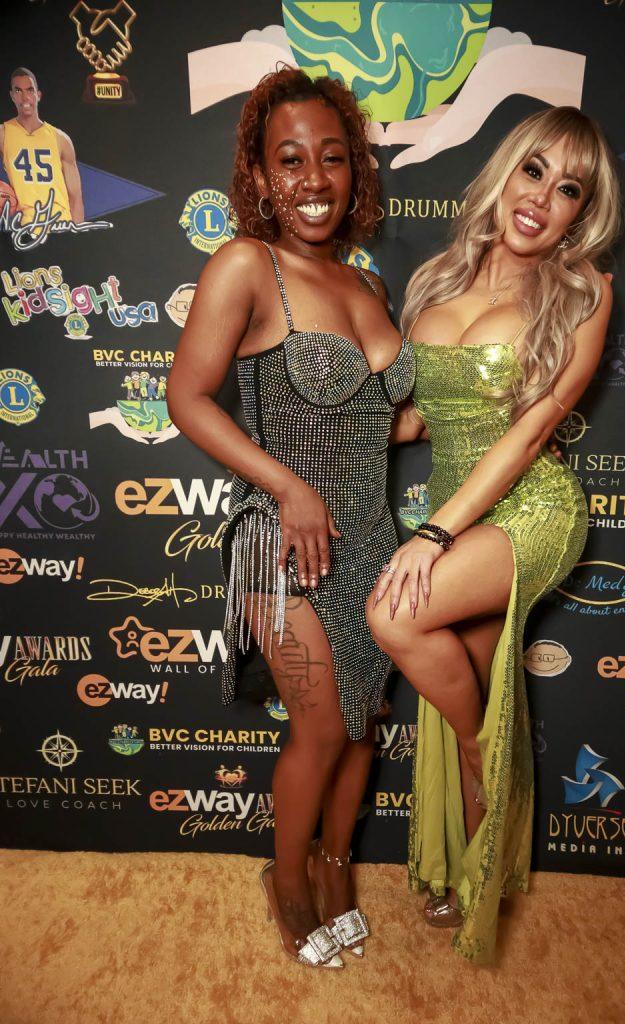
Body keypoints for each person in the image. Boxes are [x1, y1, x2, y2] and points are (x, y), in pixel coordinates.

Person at [166, 68, 414, 969]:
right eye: (291, 159)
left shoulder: (366, 284)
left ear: (355, 172)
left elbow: (384, 419)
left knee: (363, 721)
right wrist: (287, 488)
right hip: (282, 544)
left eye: (332, 158)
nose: (314, 179)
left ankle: (338, 867)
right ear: (261, 175)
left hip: (375, 540)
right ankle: (290, 881)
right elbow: (187, 398)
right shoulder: (247, 264)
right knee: (319, 727)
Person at [367, 106, 620, 964]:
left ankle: (485, 768)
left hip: (531, 508)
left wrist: (434, 533)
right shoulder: (437, 279)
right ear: (507, 174)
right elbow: (417, 421)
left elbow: (529, 433)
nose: (542, 198)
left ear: (581, 212)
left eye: (569, 189)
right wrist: (328, 430)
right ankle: (474, 872)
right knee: (470, 685)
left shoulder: (583, 293)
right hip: (459, 506)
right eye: (534, 171)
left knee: (395, 614)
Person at [1, 68, 84, 224]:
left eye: (30, 90)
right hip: (26, 228)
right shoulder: (4, 133)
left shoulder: (61, 138)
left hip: (61, 225)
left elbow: (75, 197)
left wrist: (76, 235)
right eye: (18, 91)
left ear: (38, 95)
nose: (25, 97)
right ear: (12, 96)